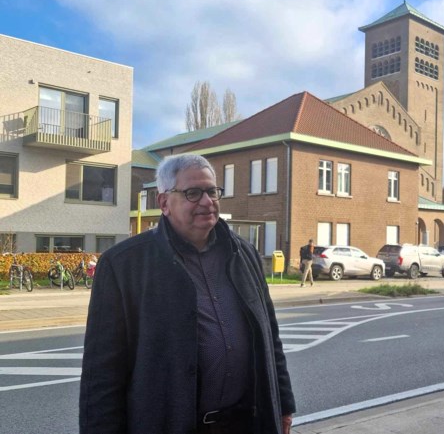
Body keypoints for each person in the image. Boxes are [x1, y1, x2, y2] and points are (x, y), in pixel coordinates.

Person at [79, 154, 295, 434]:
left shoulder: (245, 255)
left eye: (212, 191)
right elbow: (102, 373)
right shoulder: (123, 266)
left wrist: (284, 403)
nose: (207, 202)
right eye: (193, 193)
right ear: (164, 202)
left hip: (247, 423)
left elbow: (270, 337)